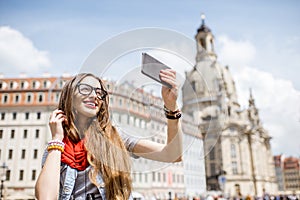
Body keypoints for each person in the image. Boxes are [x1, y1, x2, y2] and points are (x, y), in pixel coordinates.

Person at [35, 69, 182, 200]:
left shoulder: (114, 137)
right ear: (70, 97)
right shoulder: (56, 149)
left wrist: (171, 107)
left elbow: (172, 154)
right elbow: (46, 197)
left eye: (99, 93)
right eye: (85, 89)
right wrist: (56, 140)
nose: (94, 96)